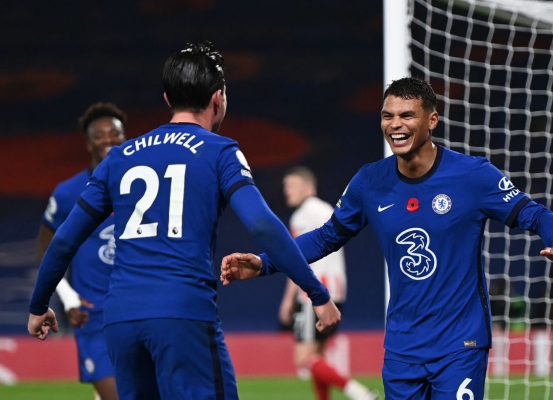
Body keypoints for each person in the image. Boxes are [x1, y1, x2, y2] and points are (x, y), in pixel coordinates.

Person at [220, 76, 553, 400]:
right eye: (387, 116)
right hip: (402, 346)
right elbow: (326, 237)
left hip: (460, 343)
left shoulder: (473, 176)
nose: (395, 124)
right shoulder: (369, 182)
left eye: (407, 115)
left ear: (432, 121)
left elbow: (534, 213)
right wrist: (265, 263)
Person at [28, 41, 341, 400]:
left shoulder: (120, 157)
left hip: (120, 321)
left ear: (167, 98)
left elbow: (64, 240)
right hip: (181, 312)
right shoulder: (220, 151)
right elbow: (262, 225)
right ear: (218, 99)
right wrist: (316, 293)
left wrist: (39, 306)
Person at [36, 102, 126, 400]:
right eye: (99, 135)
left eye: (115, 133)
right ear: (88, 143)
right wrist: (67, 296)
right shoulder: (67, 193)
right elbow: (46, 247)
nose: (108, 139)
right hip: (93, 315)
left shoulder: (143, 186)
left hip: (139, 307)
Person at [280, 166, 376, 400]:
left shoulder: (302, 215)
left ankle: (358, 392)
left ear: (308, 188)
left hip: (313, 294)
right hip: (336, 291)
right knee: (318, 356)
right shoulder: (327, 210)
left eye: (292, 185)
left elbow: (297, 259)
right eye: (286, 186)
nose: (287, 191)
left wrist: (288, 300)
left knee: (304, 359)